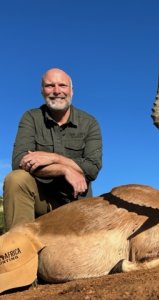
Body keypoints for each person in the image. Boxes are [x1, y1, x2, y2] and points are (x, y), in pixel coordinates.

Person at [3, 68, 102, 232]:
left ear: (71, 90)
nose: (57, 91)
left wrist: (54, 158)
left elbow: (92, 168)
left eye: (62, 85)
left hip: (76, 203)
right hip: (38, 200)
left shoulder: (89, 123)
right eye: (50, 86)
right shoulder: (31, 117)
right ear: (42, 91)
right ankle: (19, 251)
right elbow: (19, 161)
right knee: (16, 179)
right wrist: (64, 170)